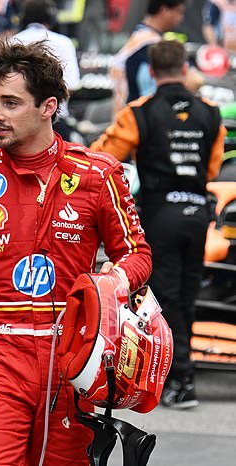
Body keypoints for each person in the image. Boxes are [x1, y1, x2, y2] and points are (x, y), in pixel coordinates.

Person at [0, 39, 152, 465]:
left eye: (10, 103)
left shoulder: (99, 174)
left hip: (75, 360)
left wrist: (113, 281)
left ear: (48, 107)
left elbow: (137, 254)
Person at [91, 39, 226, 409]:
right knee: (186, 296)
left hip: (159, 212)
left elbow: (104, 157)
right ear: (185, 69)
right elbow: (212, 167)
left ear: (150, 72)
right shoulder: (210, 112)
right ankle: (182, 376)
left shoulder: (140, 111)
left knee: (163, 298)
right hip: (198, 213)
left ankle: (179, 380)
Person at [11, 0, 80, 140]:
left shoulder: (13, 41)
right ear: (51, 18)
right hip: (56, 121)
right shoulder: (64, 42)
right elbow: (72, 85)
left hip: (17, 121)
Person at [110, 0, 187, 116]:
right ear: (164, 10)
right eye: (179, 12)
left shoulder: (140, 37)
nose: (181, 18)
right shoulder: (147, 45)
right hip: (137, 122)